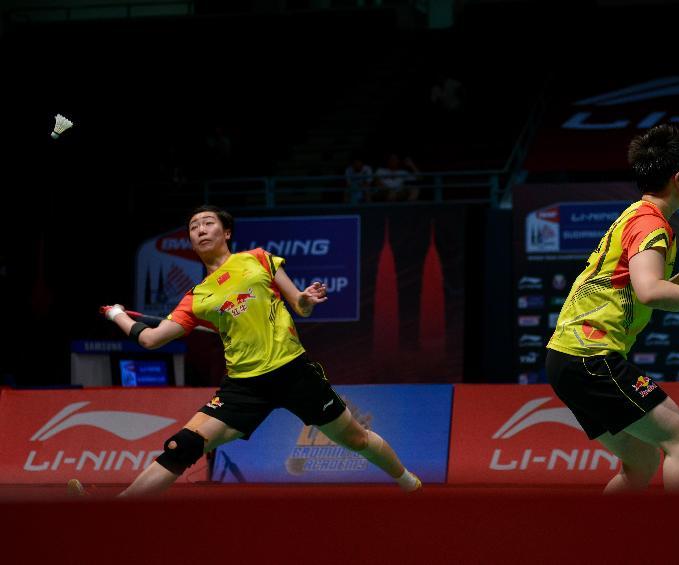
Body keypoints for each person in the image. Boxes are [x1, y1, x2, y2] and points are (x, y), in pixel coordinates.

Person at [70, 205, 421, 496]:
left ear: (226, 234)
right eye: (194, 227)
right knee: (183, 445)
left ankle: (409, 483)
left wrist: (306, 298)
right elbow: (152, 339)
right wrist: (116, 314)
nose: (201, 230)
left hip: (294, 371)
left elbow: (298, 303)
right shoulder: (197, 297)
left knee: (355, 439)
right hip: (244, 386)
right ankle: (115, 508)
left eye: (209, 223)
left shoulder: (258, 259)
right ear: (191, 240)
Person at [545, 124, 679, 494]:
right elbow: (650, 292)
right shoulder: (652, 225)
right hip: (590, 356)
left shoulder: (635, 216)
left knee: (642, 461)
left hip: (567, 358)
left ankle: (592, 544)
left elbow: (640, 294)